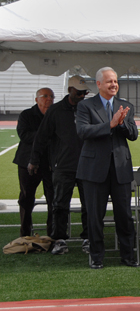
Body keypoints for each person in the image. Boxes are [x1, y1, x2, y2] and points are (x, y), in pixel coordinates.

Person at [76, 67, 138, 269]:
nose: (114, 84)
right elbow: (83, 131)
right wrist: (109, 124)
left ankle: (128, 256)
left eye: (116, 81)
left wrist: (120, 124)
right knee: (95, 216)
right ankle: (97, 257)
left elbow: (133, 134)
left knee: (125, 216)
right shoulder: (85, 106)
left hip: (120, 169)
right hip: (94, 170)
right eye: (109, 81)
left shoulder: (125, 106)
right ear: (99, 84)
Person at [29, 76, 90, 255]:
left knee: (89, 204)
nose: (82, 95)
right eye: (79, 92)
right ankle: (59, 239)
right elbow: (41, 137)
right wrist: (34, 160)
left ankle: (88, 238)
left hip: (87, 164)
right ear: (70, 89)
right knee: (60, 204)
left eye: (85, 92)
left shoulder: (88, 109)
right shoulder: (55, 111)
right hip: (63, 166)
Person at [13, 88, 55, 238]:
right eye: (45, 96)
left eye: (51, 96)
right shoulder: (26, 115)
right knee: (26, 199)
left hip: (50, 163)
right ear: (37, 99)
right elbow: (24, 135)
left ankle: (52, 235)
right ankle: (24, 233)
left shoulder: (55, 115)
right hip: (27, 163)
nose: (49, 99)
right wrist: (45, 136)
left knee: (53, 199)